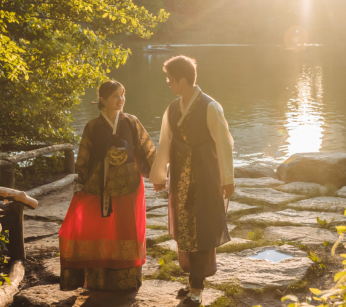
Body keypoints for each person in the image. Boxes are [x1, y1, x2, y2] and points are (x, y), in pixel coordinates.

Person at [150, 55, 234, 306]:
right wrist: (159, 176)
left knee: (204, 230)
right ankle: (192, 283)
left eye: (171, 80)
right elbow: (165, 142)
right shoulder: (173, 108)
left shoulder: (210, 107)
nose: (168, 84)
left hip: (205, 179)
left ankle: (197, 287)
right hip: (180, 179)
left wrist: (227, 179)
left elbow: (224, 144)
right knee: (186, 232)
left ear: (183, 80)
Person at [59, 81, 156, 291]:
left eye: (123, 94)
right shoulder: (92, 126)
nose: (121, 99)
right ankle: (98, 278)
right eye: (115, 96)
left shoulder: (131, 122)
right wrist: (81, 183)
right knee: (98, 228)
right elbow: (83, 156)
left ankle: (128, 278)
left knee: (127, 228)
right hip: (98, 185)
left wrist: (158, 173)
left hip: (128, 183)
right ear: (102, 99)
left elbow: (147, 148)